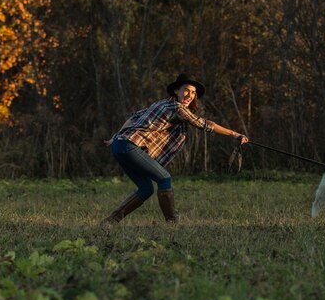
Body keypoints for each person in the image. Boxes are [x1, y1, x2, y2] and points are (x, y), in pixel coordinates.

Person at [101, 73, 248, 224]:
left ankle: (109, 222)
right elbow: (204, 124)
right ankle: (172, 223)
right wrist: (234, 134)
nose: (189, 95)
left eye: (193, 92)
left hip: (120, 146)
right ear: (176, 91)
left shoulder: (161, 103)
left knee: (146, 189)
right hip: (129, 146)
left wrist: (116, 136)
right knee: (164, 178)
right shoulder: (177, 107)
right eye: (186, 90)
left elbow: (134, 116)